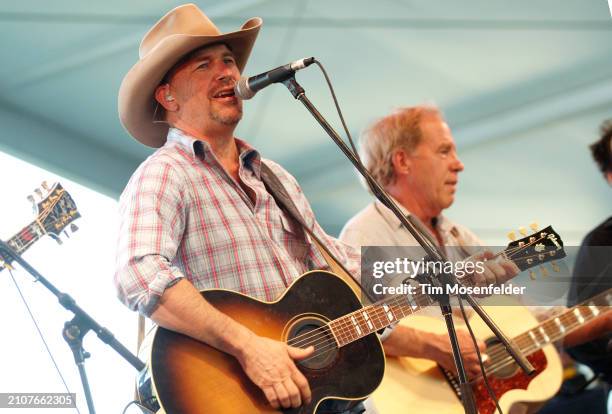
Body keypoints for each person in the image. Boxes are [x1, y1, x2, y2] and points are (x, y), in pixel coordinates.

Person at [113, 4, 363, 412]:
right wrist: (249, 347)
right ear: (167, 96)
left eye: (229, 60)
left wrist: (448, 269)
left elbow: (339, 262)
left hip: (316, 394)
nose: (228, 72)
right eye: (203, 65)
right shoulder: (164, 173)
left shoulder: (273, 176)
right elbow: (138, 273)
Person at [340, 106, 520, 377]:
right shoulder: (363, 236)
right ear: (402, 161)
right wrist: (432, 346)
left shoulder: (461, 236)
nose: (459, 164)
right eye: (444, 151)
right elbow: (350, 330)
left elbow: (515, 321)